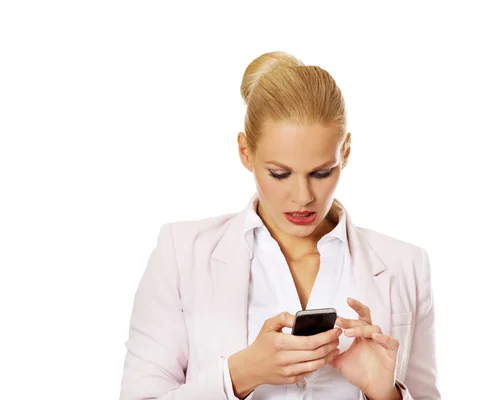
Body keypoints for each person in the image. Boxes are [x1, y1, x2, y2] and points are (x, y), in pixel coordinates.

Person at [119, 51, 441, 400]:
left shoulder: (406, 265)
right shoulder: (181, 253)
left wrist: (386, 393)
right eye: (280, 174)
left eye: (321, 173)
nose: (302, 196)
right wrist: (241, 374)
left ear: (345, 152)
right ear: (245, 152)